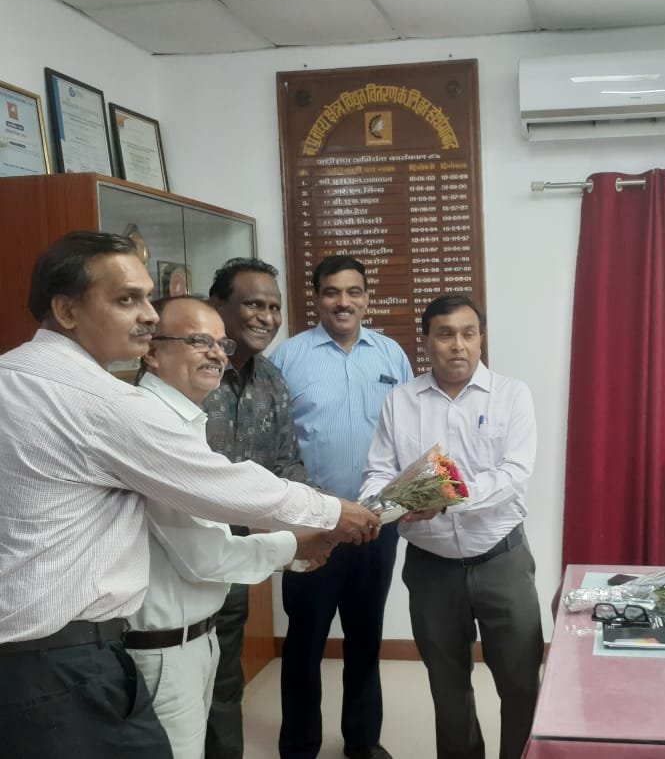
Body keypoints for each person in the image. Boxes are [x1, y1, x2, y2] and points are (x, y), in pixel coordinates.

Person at [0, 231, 381, 758]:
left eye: (219, 345)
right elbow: (219, 488)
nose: (149, 316)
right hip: (64, 658)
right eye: (126, 299)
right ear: (66, 309)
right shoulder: (102, 401)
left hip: (50, 654)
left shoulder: (16, 373)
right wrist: (331, 514)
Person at [128, 295, 336, 759]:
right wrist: (302, 538)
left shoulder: (185, 419)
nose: (218, 353)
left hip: (196, 636)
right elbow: (208, 556)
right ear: (152, 350)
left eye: (219, 342)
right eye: (198, 340)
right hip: (161, 650)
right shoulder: (152, 423)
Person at [360, 294, 543, 759]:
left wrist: (444, 501)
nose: (457, 346)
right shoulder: (400, 401)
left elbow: (513, 474)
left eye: (468, 333)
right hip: (431, 568)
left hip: (502, 559)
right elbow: (379, 472)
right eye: (445, 335)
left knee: (521, 685)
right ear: (427, 343)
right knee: (448, 688)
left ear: (481, 339)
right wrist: (381, 504)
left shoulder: (512, 394)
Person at [269, 255, 413, 759]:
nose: (344, 301)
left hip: (377, 524)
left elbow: (407, 435)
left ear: (368, 297)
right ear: (316, 299)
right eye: (332, 292)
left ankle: (362, 741)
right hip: (313, 526)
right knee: (304, 641)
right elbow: (279, 444)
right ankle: (301, 745)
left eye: (354, 291)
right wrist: (313, 511)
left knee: (365, 637)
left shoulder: (392, 355)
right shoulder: (288, 358)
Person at [203, 257, 313, 759]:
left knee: (226, 678)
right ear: (217, 306)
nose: (265, 317)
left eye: (273, 307)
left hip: (239, 551)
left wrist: (321, 524)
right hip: (181, 553)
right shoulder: (192, 372)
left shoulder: (271, 379)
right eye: (252, 304)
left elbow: (288, 464)